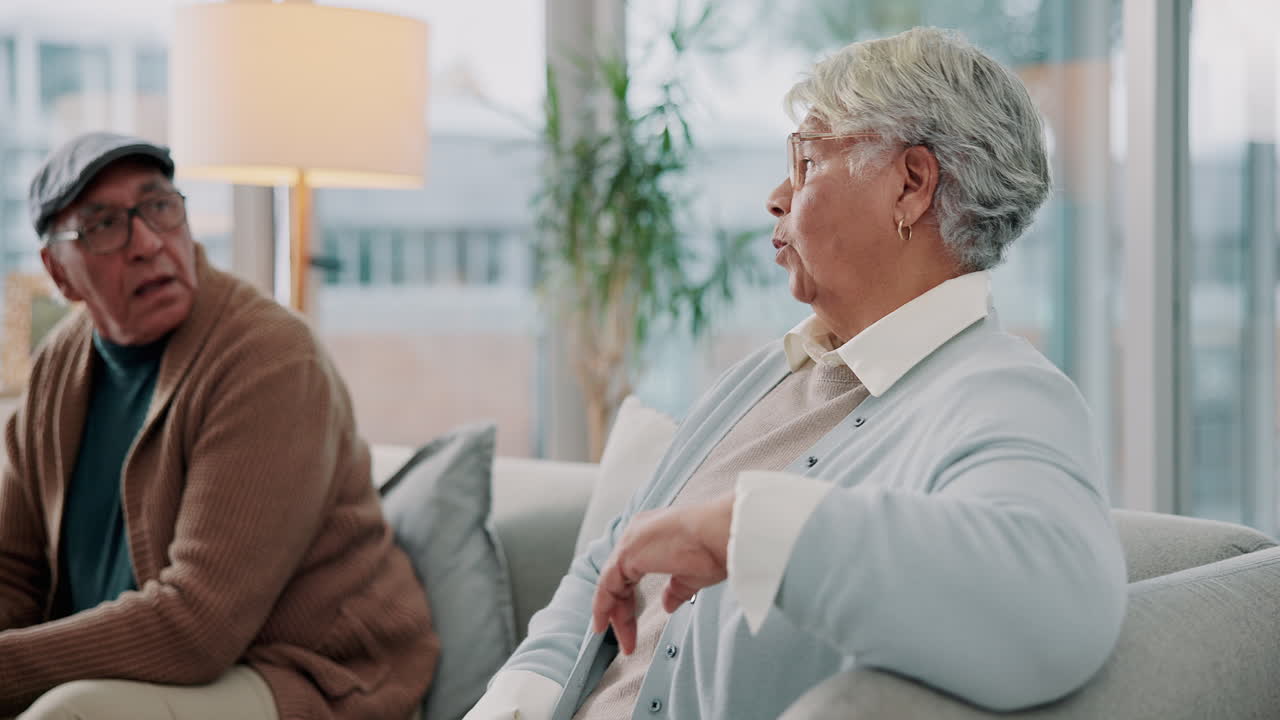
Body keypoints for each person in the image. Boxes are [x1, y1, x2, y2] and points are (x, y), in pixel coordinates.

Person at [465, 27, 1127, 720]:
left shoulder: (1003, 395)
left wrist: (748, 530)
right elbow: (609, 558)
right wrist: (515, 701)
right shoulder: (765, 375)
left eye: (808, 161)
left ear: (911, 185)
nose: (778, 196)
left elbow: (1056, 609)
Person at [0, 132, 438, 719]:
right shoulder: (57, 368)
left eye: (160, 206)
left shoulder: (270, 357)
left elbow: (196, 627)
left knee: (73, 713)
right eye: (104, 225)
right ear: (59, 272)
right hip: (148, 672)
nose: (147, 243)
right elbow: (14, 574)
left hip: (313, 676)